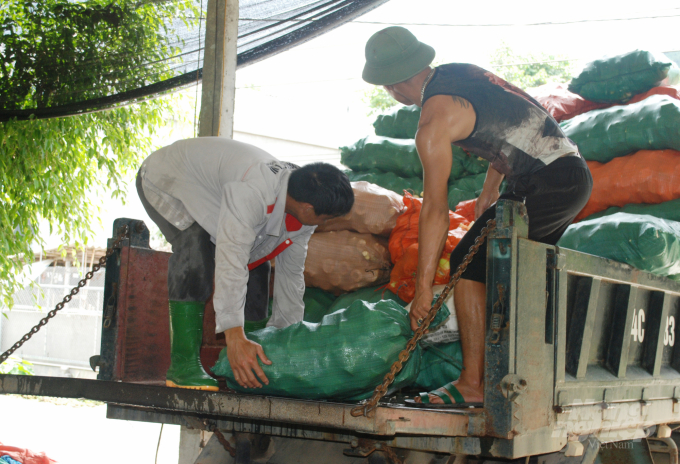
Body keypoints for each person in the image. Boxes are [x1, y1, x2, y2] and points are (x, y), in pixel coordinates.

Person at [362, 27, 592, 406]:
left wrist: (422, 289)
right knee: (515, 272)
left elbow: (435, 207)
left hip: (549, 181)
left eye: (388, 88)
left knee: (469, 266)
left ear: (393, 83)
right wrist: (490, 191)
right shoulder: (463, 73)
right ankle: (524, 377)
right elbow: (514, 122)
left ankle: (473, 383)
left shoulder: (433, 123)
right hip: (563, 175)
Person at [136, 137, 354, 391]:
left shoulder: (302, 204)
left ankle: (251, 363)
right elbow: (231, 260)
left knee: (258, 265)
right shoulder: (254, 193)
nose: (325, 223)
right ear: (307, 208)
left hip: (217, 195)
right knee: (196, 250)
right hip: (170, 180)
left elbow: (291, 275)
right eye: (327, 218)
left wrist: (287, 338)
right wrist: (234, 335)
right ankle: (183, 366)